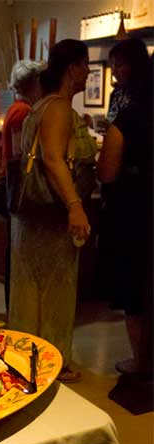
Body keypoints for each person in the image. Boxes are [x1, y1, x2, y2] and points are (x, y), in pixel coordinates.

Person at [9, 39, 97, 383]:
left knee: (33, 286)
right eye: (85, 63)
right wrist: (75, 206)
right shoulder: (58, 107)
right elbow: (53, 159)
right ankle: (50, 361)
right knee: (54, 287)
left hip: (35, 215)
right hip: (52, 214)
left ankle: (30, 358)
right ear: (72, 68)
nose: (88, 71)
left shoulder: (41, 105)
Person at [96, 39, 152, 375]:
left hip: (134, 210)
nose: (115, 71)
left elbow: (107, 171)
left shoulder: (128, 117)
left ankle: (142, 364)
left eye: (120, 64)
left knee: (135, 289)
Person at [2, 60, 45, 311]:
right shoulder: (22, 111)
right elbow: (20, 151)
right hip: (18, 179)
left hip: (13, 177)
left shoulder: (16, 108)